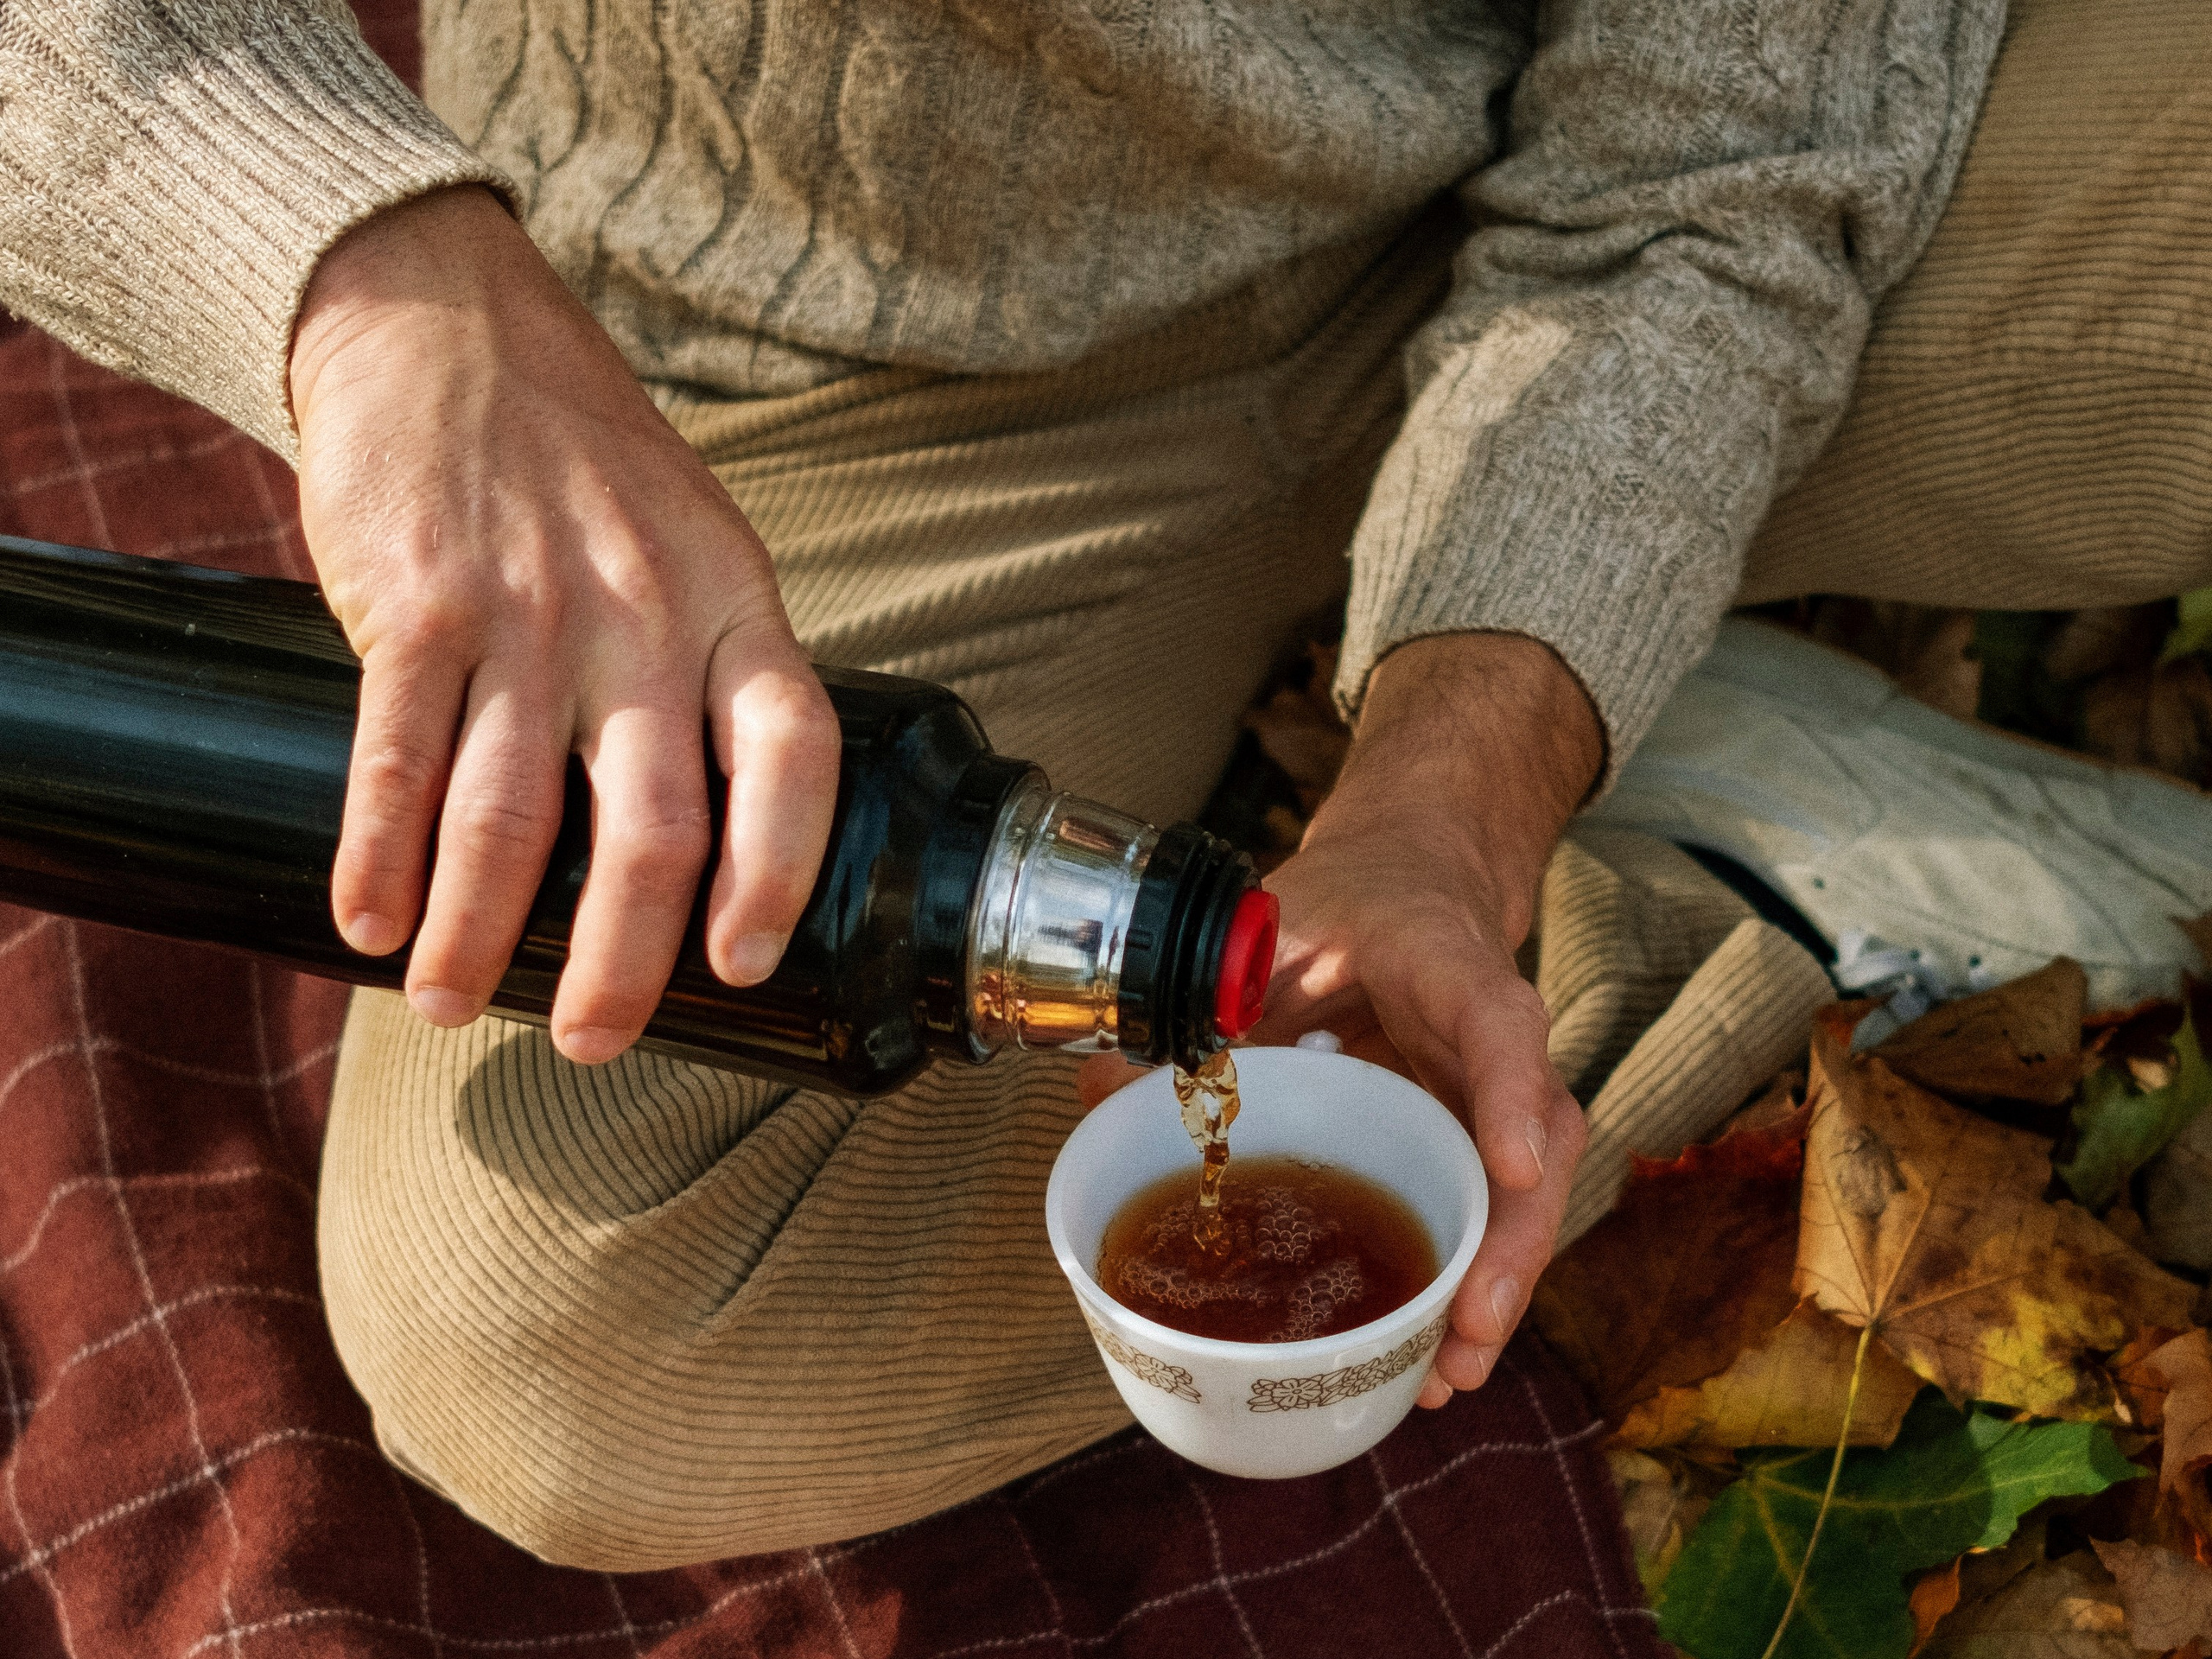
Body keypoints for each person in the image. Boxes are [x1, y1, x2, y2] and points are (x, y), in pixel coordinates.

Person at [0, 1, 2183, 1571]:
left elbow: (1721, 167)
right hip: (820, 387)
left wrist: (1456, 777)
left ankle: (1499, 747)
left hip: (1590, 232)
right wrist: (368, 273)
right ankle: (1697, 905)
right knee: (543, 1346)